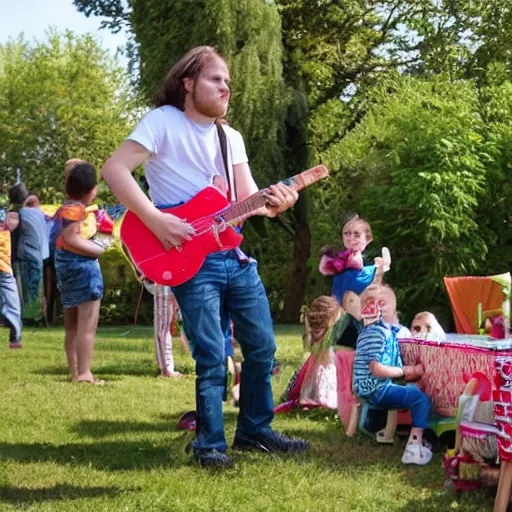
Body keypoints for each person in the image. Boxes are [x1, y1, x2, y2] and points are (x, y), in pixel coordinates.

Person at [101, 45, 308, 468]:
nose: (226, 87)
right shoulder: (163, 122)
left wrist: (276, 202)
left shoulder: (229, 137)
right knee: (213, 353)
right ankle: (210, 446)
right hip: (189, 259)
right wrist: (156, 220)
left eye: (228, 81)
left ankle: (254, 431)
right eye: (217, 79)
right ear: (188, 83)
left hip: (233, 255)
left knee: (263, 347)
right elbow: (114, 169)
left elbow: (247, 200)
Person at [353, 284, 432, 465]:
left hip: (374, 388)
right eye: (382, 302)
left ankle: (403, 435)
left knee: (410, 390)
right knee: (420, 399)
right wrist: (407, 371)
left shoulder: (377, 330)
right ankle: (414, 445)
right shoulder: (375, 333)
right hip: (376, 389)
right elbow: (376, 368)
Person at [51, 160, 105, 384]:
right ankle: (84, 373)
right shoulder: (77, 210)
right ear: (92, 190)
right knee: (87, 326)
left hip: (66, 271)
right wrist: (97, 249)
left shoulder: (63, 208)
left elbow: (63, 239)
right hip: (83, 272)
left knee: (71, 326)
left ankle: (75, 372)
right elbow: (71, 237)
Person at [319, 214, 390, 306]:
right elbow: (330, 267)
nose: (351, 238)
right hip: (346, 282)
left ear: (367, 239)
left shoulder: (354, 258)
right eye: (347, 234)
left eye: (357, 234)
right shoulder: (344, 256)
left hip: (353, 282)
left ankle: (381, 267)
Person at [9, 189, 49, 325]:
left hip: (26, 255)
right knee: (35, 286)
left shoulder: (22, 213)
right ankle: (36, 316)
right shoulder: (40, 214)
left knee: (27, 287)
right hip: (39, 255)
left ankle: (30, 316)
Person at [0, 208, 23, 348]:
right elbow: (13, 222)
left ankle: (13, 327)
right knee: (10, 296)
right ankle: (15, 333)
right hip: (3, 264)